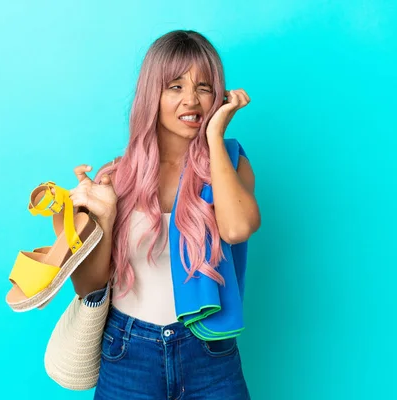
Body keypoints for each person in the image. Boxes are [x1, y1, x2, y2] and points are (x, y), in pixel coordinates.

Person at [66, 30, 260, 399]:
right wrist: (100, 218)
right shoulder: (117, 176)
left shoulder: (231, 163)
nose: (192, 100)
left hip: (209, 352)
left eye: (204, 87)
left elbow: (237, 229)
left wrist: (215, 137)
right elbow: (88, 286)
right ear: (152, 94)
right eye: (175, 86)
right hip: (128, 350)